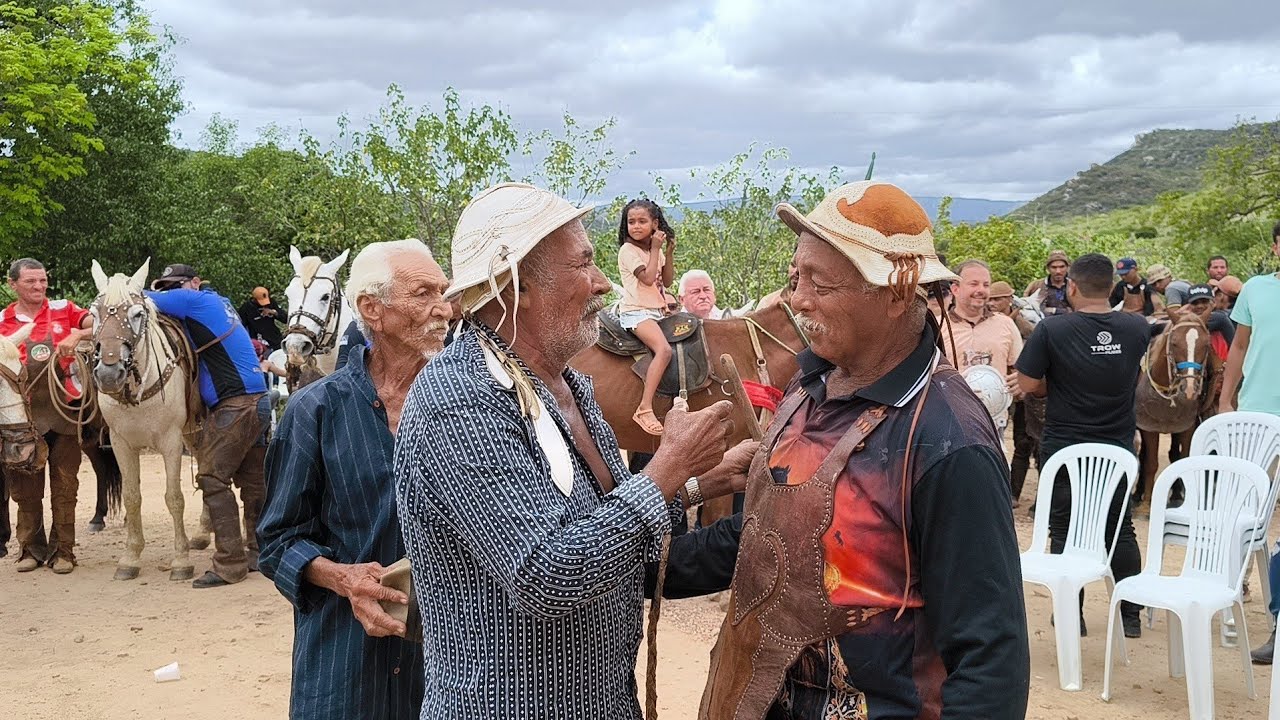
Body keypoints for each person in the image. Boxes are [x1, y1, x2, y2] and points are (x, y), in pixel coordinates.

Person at [394, 182, 755, 719]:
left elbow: (600, 527)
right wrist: (669, 466)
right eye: (582, 265)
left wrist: (704, 482)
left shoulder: (568, 388)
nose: (603, 283)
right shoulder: (460, 402)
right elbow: (546, 571)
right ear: (517, 287)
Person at [701, 181, 1029, 720]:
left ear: (898, 295)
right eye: (796, 277)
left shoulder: (948, 439)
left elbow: (990, 655)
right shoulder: (811, 388)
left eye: (821, 284)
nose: (797, 299)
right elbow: (779, 530)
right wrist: (639, 558)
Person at [258, 239, 451, 719]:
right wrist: (344, 578)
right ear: (373, 310)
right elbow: (278, 541)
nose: (443, 309)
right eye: (423, 293)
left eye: (444, 293)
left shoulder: (466, 408)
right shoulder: (314, 411)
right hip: (343, 664)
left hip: (448, 669)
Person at [1017, 253, 1151, 638]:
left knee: (1062, 528)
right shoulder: (1136, 327)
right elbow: (1133, 375)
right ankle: (1130, 616)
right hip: (1118, 449)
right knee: (1119, 528)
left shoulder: (1052, 331)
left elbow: (1027, 385)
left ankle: (1070, 614)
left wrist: (1053, 383)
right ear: (1111, 287)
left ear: (1071, 286)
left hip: (1063, 448)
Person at [147, 263, 269, 588]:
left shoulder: (193, 301)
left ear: (195, 283)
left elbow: (136, 299)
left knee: (212, 478)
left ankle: (230, 564)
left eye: (175, 286)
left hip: (235, 404)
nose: (168, 293)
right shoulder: (220, 303)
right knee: (254, 482)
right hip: (259, 399)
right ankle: (260, 554)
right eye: (165, 287)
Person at [1, 258, 94, 573]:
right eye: (30, 282)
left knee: (66, 482)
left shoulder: (63, 308)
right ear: (13, 284)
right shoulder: (2, 321)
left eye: (42, 280)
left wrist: (77, 336)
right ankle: (30, 548)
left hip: (64, 410)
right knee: (24, 488)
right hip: (19, 418)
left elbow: (98, 324)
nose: (39, 287)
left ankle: (64, 551)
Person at [1217, 222, 1280, 664]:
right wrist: (1225, 399)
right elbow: (1239, 346)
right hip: (1258, 418)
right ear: (1276, 247)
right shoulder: (1256, 289)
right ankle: (1228, 597)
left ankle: (1278, 625)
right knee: (1248, 515)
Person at [613, 198, 677, 435]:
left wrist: (668, 253)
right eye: (631, 222)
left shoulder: (652, 251)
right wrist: (657, 249)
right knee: (664, 350)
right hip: (636, 311)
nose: (636, 226)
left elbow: (667, 281)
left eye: (642, 221)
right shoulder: (628, 251)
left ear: (655, 223)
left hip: (656, 310)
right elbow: (648, 279)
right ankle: (644, 407)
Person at [989, 280, 1038, 504]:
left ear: (1009, 299)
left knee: (1024, 441)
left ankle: (1013, 493)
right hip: (994, 393)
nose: (993, 303)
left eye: (998, 299)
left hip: (1020, 392)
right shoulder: (989, 324)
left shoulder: (1027, 327)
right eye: (990, 299)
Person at [1025, 249, 1073, 315]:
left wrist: (1055, 310)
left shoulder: (1074, 286)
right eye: (1054, 267)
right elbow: (1027, 308)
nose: (1058, 271)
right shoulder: (1036, 286)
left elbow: (1080, 309)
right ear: (1048, 268)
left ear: (1067, 267)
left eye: (1062, 267)